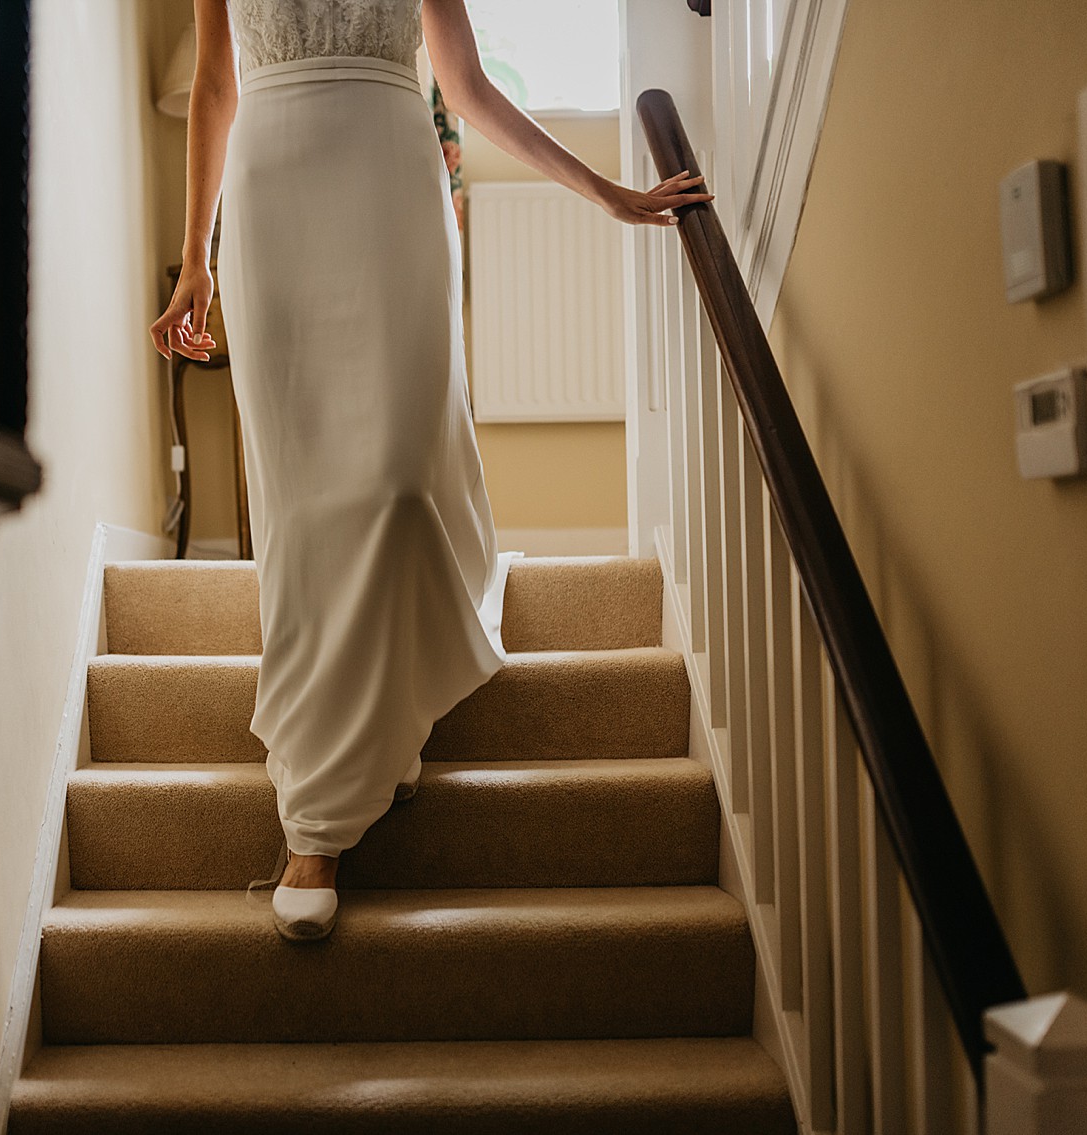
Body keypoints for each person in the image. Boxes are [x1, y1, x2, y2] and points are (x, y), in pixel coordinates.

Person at [148, 0, 711, 942]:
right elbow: (214, 84)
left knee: (400, 480)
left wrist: (603, 191)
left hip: (389, 179)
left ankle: (381, 712)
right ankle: (316, 824)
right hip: (269, 190)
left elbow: (468, 86)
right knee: (300, 502)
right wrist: (194, 259)